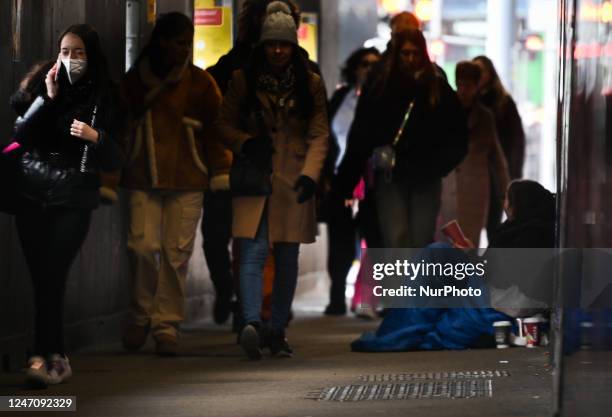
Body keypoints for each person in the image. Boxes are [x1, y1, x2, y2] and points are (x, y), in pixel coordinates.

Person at [9, 24, 123, 388]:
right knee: (41, 277)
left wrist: (97, 137)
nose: (70, 59)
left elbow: (117, 158)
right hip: (32, 194)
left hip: (73, 197)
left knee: (52, 275)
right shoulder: (41, 83)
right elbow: (22, 135)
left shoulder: (105, 96)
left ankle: (42, 356)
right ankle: (51, 356)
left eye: (79, 53)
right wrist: (49, 97)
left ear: (92, 57)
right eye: (65, 51)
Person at [216, 1, 329, 359]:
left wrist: (311, 175)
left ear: (294, 46)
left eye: (284, 44)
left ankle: (276, 328)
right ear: (262, 45)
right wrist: (245, 143)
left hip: (293, 181)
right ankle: (251, 323)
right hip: (254, 177)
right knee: (251, 251)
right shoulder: (242, 80)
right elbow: (223, 124)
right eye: (271, 44)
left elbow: (319, 133)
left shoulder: (309, 83)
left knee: (287, 256)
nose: (278, 50)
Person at [121, 12, 224, 356]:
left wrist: (219, 169)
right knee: (141, 246)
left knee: (175, 254)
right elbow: (118, 123)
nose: (185, 49)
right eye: (180, 42)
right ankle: (140, 316)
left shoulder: (200, 83)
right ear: (162, 41)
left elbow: (216, 131)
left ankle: (166, 325)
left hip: (187, 176)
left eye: (188, 43)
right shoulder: (135, 81)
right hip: (142, 173)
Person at [352, 179, 555, 352]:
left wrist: (469, 256)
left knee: (433, 263)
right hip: (499, 302)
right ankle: (400, 332)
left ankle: (397, 334)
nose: (504, 205)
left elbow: (496, 277)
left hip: (498, 307)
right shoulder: (538, 229)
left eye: (507, 200)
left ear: (517, 206)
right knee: (436, 257)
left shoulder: (526, 234)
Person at [335, 28, 468, 249]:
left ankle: (411, 283)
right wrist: (347, 179)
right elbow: (362, 134)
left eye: (415, 53)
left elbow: (457, 136)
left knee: (419, 240)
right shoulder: (381, 86)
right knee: (396, 240)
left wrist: (437, 166)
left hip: (425, 175)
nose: (410, 59)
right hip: (392, 174)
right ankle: (401, 284)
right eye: (405, 53)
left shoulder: (436, 87)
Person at [324, 47, 381, 316]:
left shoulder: (383, 101)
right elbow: (324, 136)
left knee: (374, 240)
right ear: (354, 68)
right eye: (363, 64)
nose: (368, 69)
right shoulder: (340, 98)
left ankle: (374, 298)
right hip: (340, 178)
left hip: (373, 180)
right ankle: (336, 296)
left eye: (374, 65)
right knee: (340, 242)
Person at [441, 61, 510, 246]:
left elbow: (497, 158)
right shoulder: (445, 111)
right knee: (443, 242)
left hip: (475, 190)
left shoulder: (485, 117)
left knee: (468, 243)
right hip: (447, 186)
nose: (464, 90)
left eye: (469, 85)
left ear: (477, 86)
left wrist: (506, 193)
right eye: (461, 84)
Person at [472, 55, 526, 239]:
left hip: (496, 173)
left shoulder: (504, 103)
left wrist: (513, 173)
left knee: (494, 223)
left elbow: (516, 140)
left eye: (483, 71)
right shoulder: (468, 105)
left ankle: (491, 264)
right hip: (474, 174)